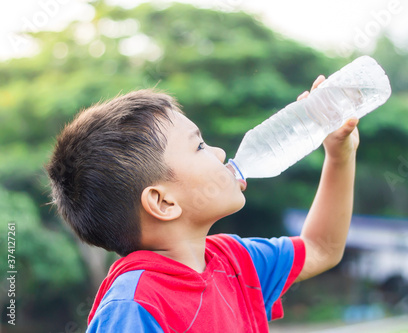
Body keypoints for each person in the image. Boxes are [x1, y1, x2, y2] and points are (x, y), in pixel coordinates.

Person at [45, 75, 359, 332]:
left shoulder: (235, 261)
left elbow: (321, 248)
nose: (220, 152)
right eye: (199, 146)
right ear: (163, 202)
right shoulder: (134, 307)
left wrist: (339, 156)